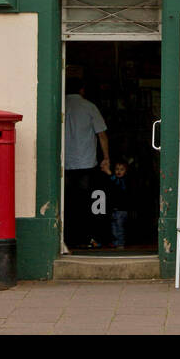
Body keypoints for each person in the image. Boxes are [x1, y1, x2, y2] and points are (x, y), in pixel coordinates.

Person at [63, 78, 110, 249]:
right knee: (85, 202)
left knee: (67, 202)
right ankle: (86, 237)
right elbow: (102, 134)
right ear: (82, 90)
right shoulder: (89, 107)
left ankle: (68, 237)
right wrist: (106, 158)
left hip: (65, 163)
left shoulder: (61, 105)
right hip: (86, 162)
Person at [107, 158, 132, 249]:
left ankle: (120, 243)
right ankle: (115, 242)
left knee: (120, 227)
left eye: (121, 169)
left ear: (126, 171)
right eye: (117, 169)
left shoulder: (124, 181)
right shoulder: (115, 181)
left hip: (122, 210)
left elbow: (117, 182)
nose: (118, 171)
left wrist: (109, 173)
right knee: (114, 227)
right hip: (114, 209)